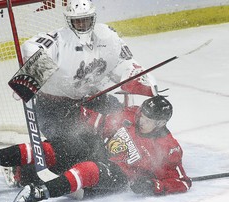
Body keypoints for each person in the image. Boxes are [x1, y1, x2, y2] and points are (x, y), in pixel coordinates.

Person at [0, 95, 192, 202]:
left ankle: (40, 192)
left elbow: (182, 181)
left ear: (161, 123)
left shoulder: (169, 148)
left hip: (119, 173)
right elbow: (102, 122)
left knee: (88, 170)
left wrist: (157, 186)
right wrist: (78, 112)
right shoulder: (131, 114)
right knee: (55, 147)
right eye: (142, 114)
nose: (141, 119)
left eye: (148, 119)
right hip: (98, 150)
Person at [19, 0, 159, 162]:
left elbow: (124, 62)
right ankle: (20, 169)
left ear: (93, 18)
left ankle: (137, 159)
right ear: (69, 21)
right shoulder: (58, 40)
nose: (82, 25)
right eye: (77, 21)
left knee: (126, 121)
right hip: (52, 109)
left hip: (87, 100)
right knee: (72, 151)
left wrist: (137, 76)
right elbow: (31, 47)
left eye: (86, 19)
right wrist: (34, 69)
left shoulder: (107, 37)